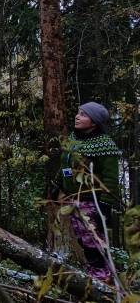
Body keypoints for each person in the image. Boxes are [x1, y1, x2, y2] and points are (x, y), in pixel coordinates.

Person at [58, 101, 121, 282]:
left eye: (83, 115)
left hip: (91, 200)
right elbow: (65, 164)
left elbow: (111, 178)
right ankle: (97, 273)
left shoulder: (104, 144)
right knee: (83, 237)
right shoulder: (73, 138)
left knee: (92, 238)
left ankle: (103, 277)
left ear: (94, 122)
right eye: (78, 113)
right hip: (73, 197)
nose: (77, 116)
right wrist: (58, 182)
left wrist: (105, 204)